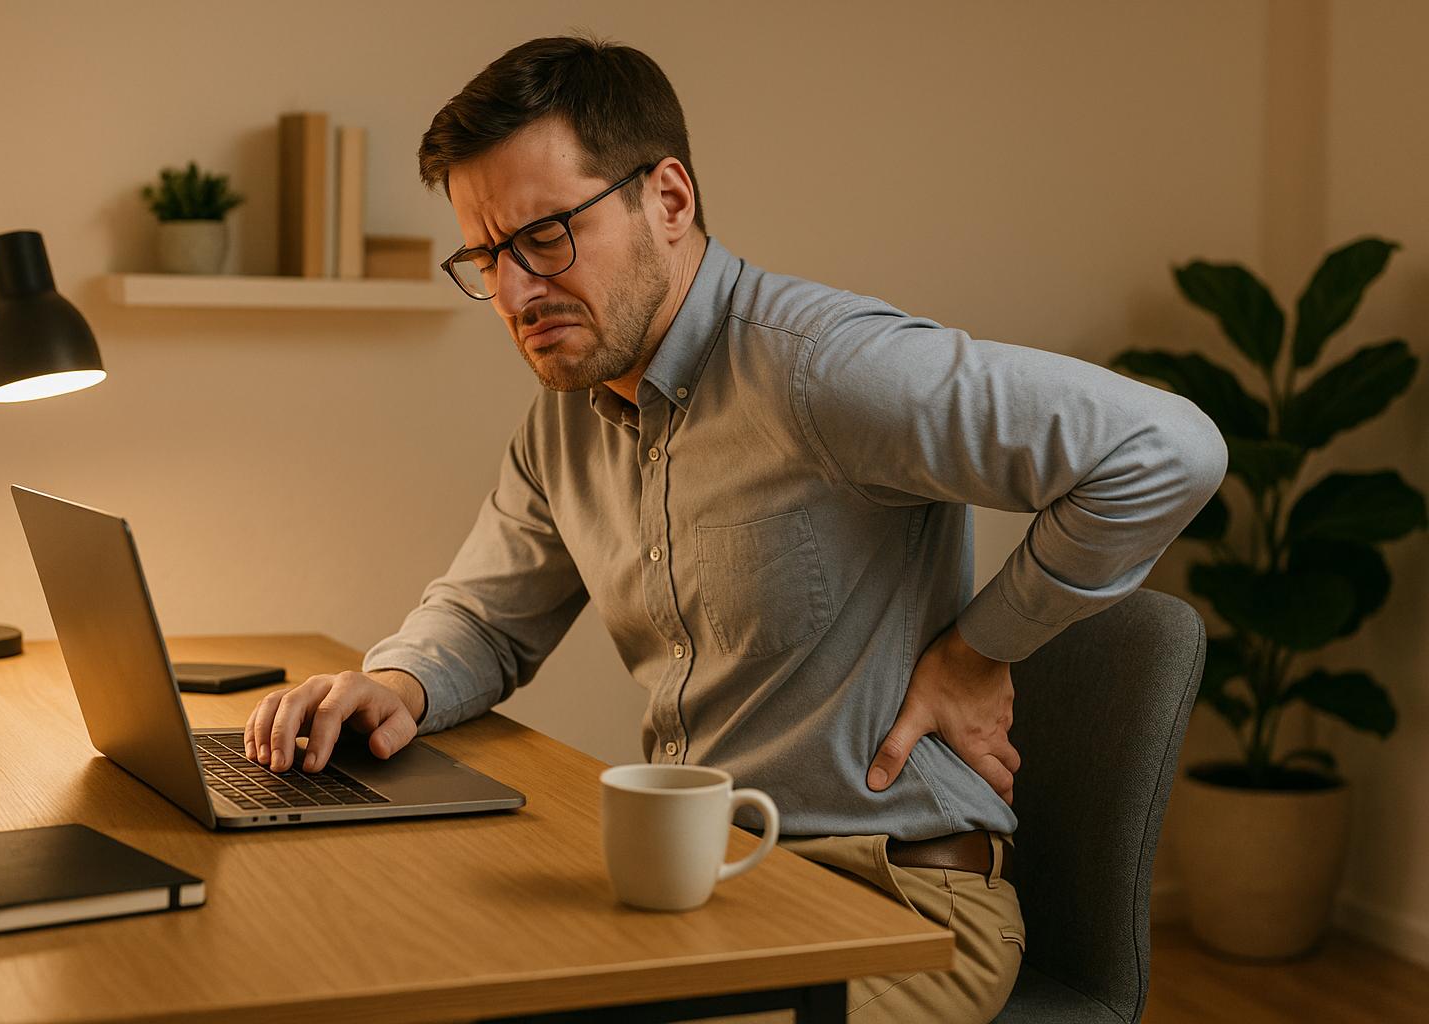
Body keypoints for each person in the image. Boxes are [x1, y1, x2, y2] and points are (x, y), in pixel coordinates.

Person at [243, 34, 1226, 1022]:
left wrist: (980, 649)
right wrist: (392, 681)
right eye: (486, 256)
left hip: (899, 912)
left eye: (544, 237)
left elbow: (1169, 447)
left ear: (668, 200)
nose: (512, 294)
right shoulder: (566, 420)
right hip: (707, 900)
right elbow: (485, 620)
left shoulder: (826, 371)